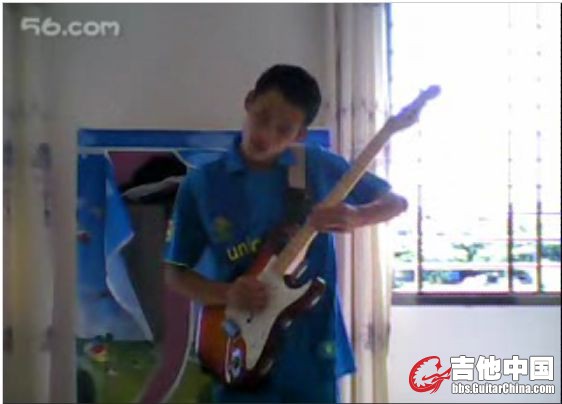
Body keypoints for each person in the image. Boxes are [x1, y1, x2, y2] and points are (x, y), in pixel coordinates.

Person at [164, 64, 409, 403]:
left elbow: (396, 202)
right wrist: (227, 293)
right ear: (249, 101)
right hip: (238, 353)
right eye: (262, 117)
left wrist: (358, 216)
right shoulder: (202, 184)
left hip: (312, 353)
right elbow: (175, 273)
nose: (266, 134)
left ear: (300, 134)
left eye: (283, 129)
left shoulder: (317, 166)